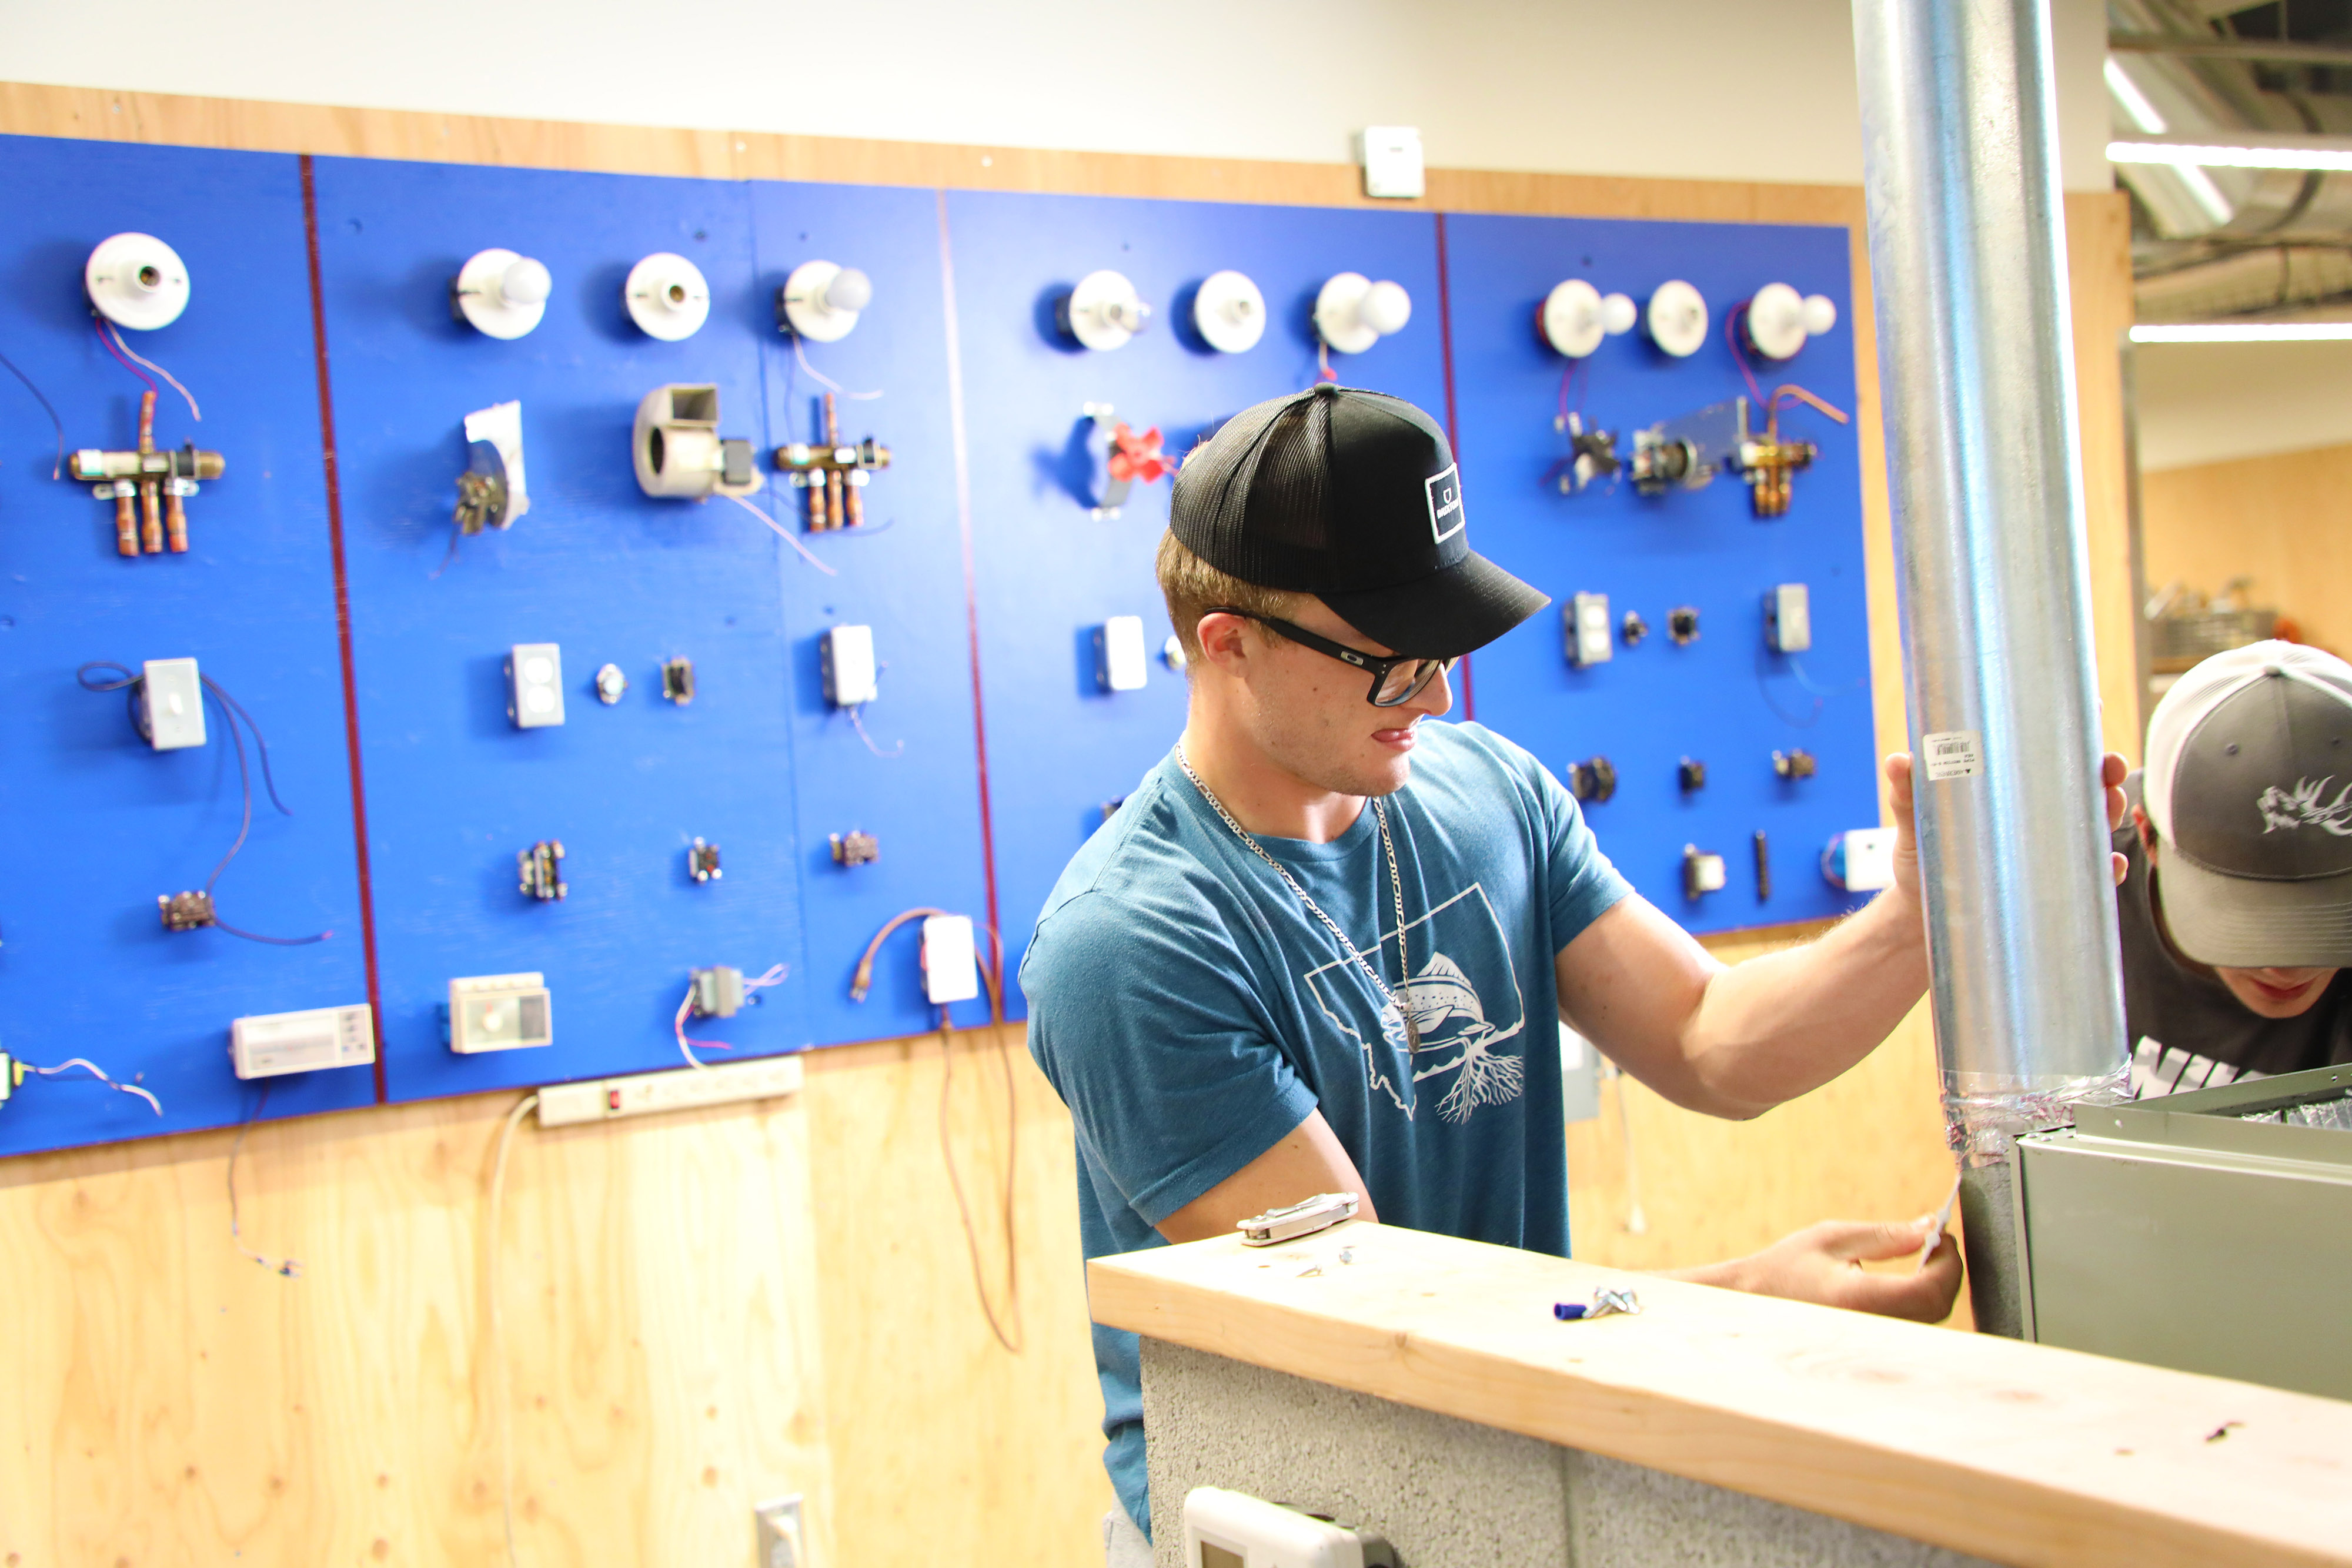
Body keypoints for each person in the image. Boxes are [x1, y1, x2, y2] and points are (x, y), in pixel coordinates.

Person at [1021, 385, 2123, 1560]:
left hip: (1503, 1462)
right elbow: (1366, 1320)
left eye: (1442, 646)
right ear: (1226, 644)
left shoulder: (1483, 789)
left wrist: (1922, 915)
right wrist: (1736, 1310)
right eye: (1388, 661)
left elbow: (1707, 1036)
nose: (1435, 696)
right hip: (1287, 1521)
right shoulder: (1131, 939)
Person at [2116, 640, 2352, 1098]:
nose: (2287, 967)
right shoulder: (2085, 884)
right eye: (2249, 914)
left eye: (2330, 913)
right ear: (2150, 838)